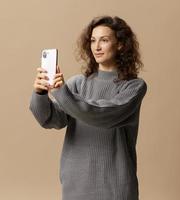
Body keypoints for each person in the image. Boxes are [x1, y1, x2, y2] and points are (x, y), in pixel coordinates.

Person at [29, 15, 147, 200]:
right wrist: (40, 94)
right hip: (76, 183)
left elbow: (103, 115)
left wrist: (62, 93)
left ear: (121, 45)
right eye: (93, 40)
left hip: (115, 186)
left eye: (104, 40)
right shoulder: (77, 84)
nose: (96, 47)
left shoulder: (133, 87)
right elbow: (51, 120)